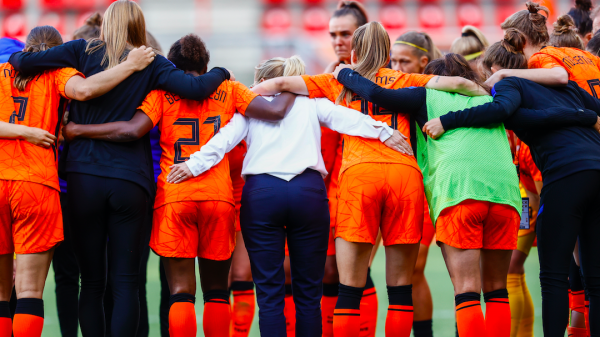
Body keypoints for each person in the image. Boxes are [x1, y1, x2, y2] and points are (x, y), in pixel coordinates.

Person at [7, 1, 234, 336]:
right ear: (138, 25)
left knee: (92, 282)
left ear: (107, 23)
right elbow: (196, 87)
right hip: (131, 181)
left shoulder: (81, 50)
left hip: (84, 178)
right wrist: (223, 72)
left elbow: (20, 59)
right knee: (126, 282)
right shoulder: (151, 62)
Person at [251, 22, 488, 337]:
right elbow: (461, 83)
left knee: (350, 287)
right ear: (389, 52)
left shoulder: (337, 80)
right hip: (404, 175)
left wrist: (246, 93)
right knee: (401, 288)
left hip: (359, 176)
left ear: (355, 51)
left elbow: (274, 85)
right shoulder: (405, 78)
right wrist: (489, 92)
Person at [332, 50, 590, 337]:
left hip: (460, 192)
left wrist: (345, 72)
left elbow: (378, 94)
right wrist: (588, 116)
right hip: (505, 193)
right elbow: (543, 115)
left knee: (466, 290)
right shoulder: (489, 97)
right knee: (497, 289)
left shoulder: (424, 95)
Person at [61, 34, 298, 337]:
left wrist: (79, 129)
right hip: (218, 198)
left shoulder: (162, 92)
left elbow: (131, 131)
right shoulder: (230, 89)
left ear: (172, 65)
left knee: (181, 292)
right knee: (215, 292)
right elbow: (276, 112)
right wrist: (293, 81)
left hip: (175, 197)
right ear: (206, 64)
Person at [166, 50, 413, 337]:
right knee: (309, 294)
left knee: (269, 295)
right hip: (307, 193)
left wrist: (191, 165)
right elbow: (349, 118)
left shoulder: (250, 109)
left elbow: (222, 141)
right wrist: (385, 131)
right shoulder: (312, 103)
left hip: (262, 194)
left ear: (262, 80)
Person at [422, 29, 600, 337]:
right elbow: (590, 111)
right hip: (596, 168)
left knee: (553, 278)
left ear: (493, 70)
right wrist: (581, 116)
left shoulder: (510, 85)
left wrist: (447, 120)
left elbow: (503, 111)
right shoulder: (567, 86)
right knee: (595, 280)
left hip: (565, 174)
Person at [0, 25, 155, 337]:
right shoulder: (60, 74)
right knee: (30, 292)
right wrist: (131, 64)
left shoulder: (3, 70)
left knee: (2, 294)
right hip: (36, 183)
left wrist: (18, 130)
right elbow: (86, 91)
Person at [323, 3, 379, 336]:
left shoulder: (376, 80)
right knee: (330, 270)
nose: (338, 41)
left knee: (358, 270)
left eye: (345, 34)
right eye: (333, 34)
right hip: (330, 189)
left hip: (367, 184)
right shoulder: (328, 77)